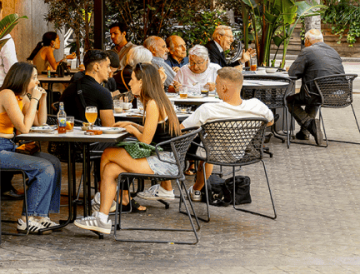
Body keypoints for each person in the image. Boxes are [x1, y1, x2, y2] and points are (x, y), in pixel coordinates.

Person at [74, 63, 184, 234]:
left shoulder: (153, 104)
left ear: (142, 82)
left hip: (164, 162)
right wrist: (132, 124)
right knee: (110, 169)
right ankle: (102, 218)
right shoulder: (160, 99)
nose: (129, 83)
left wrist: (132, 129)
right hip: (167, 158)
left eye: (132, 79)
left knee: (108, 153)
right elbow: (154, 131)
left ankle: (104, 200)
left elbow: (146, 141)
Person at [0, 62, 62, 234]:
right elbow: (25, 129)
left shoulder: (21, 97)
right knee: (43, 167)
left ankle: (41, 216)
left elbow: (39, 122)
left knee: (53, 162)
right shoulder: (7, 95)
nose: (37, 82)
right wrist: (33, 99)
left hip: (7, 148)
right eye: (33, 78)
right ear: (22, 78)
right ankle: (26, 220)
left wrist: (43, 100)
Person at [178, 67, 274, 201]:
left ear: (223, 88)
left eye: (216, 84)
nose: (215, 87)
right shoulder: (258, 106)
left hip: (212, 155)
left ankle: (196, 190)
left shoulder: (208, 109)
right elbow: (270, 122)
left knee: (204, 146)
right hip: (241, 154)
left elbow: (181, 130)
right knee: (209, 146)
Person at [285, 29, 345, 144]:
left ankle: (309, 123)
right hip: (339, 95)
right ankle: (304, 133)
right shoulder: (334, 52)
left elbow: (292, 75)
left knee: (289, 100)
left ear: (307, 40)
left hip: (315, 94)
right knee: (315, 96)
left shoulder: (307, 51)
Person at [60, 50, 117, 127]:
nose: (110, 70)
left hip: (68, 135)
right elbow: (110, 128)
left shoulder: (69, 89)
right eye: (107, 66)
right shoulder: (103, 93)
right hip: (91, 137)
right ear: (97, 67)